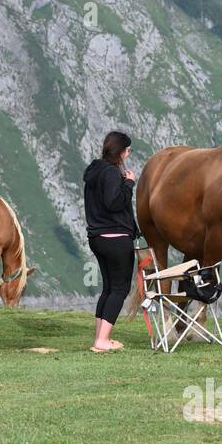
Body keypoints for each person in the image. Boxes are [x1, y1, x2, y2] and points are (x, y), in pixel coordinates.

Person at [84, 131, 142, 353]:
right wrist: (128, 184)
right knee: (120, 289)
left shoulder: (94, 172)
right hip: (116, 239)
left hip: (98, 237)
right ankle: (102, 341)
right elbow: (113, 203)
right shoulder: (110, 173)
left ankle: (100, 337)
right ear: (121, 151)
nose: (128, 154)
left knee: (108, 288)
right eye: (128, 150)